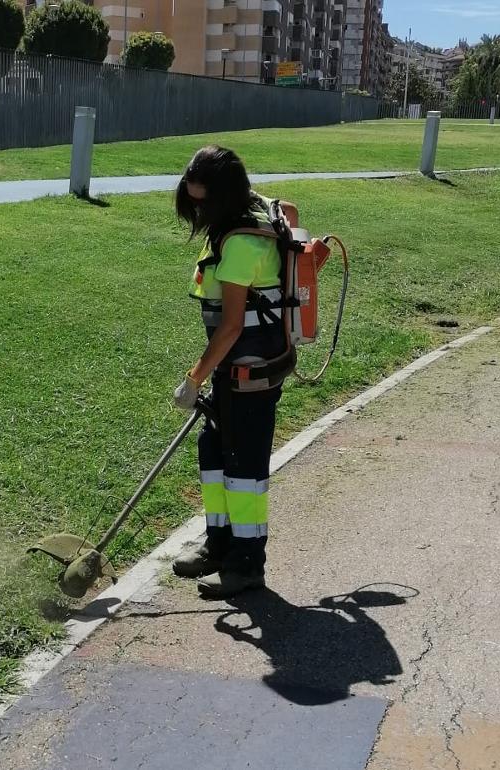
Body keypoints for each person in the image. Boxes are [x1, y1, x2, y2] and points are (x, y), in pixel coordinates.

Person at [170, 145, 298, 599]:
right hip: (232, 370)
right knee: (214, 451)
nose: (197, 210)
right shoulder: (234, 223)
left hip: (251, 371)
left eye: (203, 202)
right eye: (192, 199)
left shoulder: (243, 243)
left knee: (244, 467)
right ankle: (219, 544)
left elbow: (229, 328)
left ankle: (247, 563)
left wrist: (194, 378)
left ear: (222, 198)